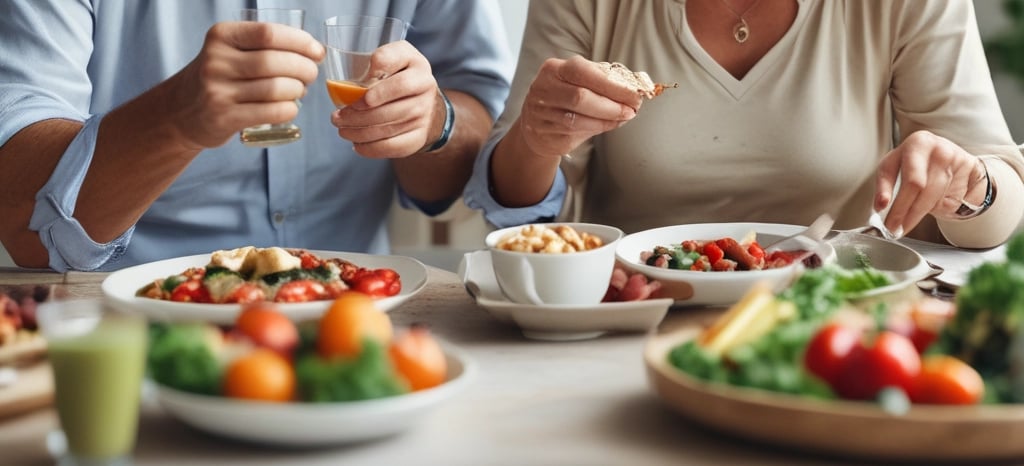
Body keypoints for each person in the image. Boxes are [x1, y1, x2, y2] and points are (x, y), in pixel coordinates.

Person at [464, 0, 1024, 249]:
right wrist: (537, 141)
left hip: (833, 316)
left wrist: (972, 186)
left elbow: (1002, 202)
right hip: (631, 310)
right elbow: (517, 209)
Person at [0, 1, 512, 271]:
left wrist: (432, 123)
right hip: (124, 316)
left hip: (355, 308)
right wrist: (175, 119)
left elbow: (476, 144)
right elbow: (24, 223)